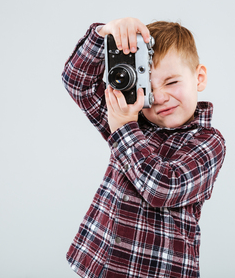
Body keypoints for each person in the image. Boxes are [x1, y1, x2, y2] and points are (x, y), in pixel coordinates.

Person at [63, 17, 226, 278]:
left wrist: (124, 127)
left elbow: (161, 188)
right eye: (146, 88)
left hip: (158, 271)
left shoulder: (209, 142)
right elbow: (77, 83)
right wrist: (104, 35)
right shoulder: (132, 117)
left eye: (172, 82)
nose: (160, 97)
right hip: (102, 264)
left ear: (199, 78)